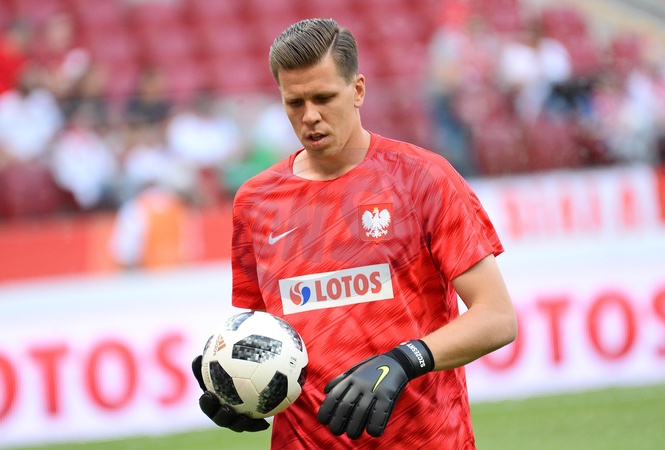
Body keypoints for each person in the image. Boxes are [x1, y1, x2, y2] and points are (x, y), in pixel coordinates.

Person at [191, 18, 517, 449]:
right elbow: (266, 337)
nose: (310, 116)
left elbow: (497, 318)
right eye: (295, 102)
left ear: (358, 90)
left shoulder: (423, 178)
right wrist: (236, 387)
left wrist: (405, 361)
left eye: (324, 98)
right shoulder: (256, 201)